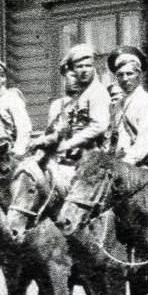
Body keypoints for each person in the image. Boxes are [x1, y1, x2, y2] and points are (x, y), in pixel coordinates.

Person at [31, 43, 111, 196]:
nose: (83, 70)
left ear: (94, 67)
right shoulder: (77, 98)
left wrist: (66, 144)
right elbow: (63, 129)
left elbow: (98, 126)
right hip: (72, 160)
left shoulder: (98, 93)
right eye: (79, 67)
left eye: (88, 66)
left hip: (92, 161)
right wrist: (43, 141)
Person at [108, 45, 148, 167]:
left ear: (139, 74)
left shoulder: (146, 101)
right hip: (118, 165)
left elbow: (146, 141)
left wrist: (125, 163)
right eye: (120, 75)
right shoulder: (118, 105)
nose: (125, 79)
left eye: (129, 73)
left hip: (140, 167)